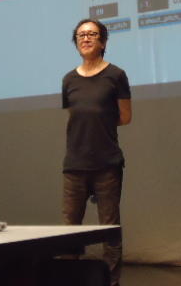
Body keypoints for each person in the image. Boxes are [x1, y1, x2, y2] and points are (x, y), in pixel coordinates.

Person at [61, 18, 132, 286]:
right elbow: (76, 116)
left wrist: (101, 120)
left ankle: (111, 282)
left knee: (109, 229)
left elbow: (125, 116)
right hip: (75, 164)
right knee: (69, 232)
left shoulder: (116, 75)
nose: (86, 38)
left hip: (107, 163)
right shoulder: (68, 79)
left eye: (92, 34)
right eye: (81, 35)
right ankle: (69, 279)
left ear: (102, 42)